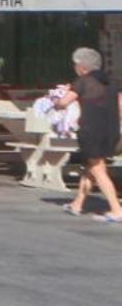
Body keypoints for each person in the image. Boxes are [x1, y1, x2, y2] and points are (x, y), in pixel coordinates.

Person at [63, 47, 121, 222]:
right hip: (111, 131)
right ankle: (77, 204)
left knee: (98, 169)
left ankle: (116, 209)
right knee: (91, 166)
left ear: (81, 67)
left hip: (91, 131)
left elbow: (64, 102)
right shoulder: (112, 82)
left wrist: (58, 99)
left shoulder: (82, 81)